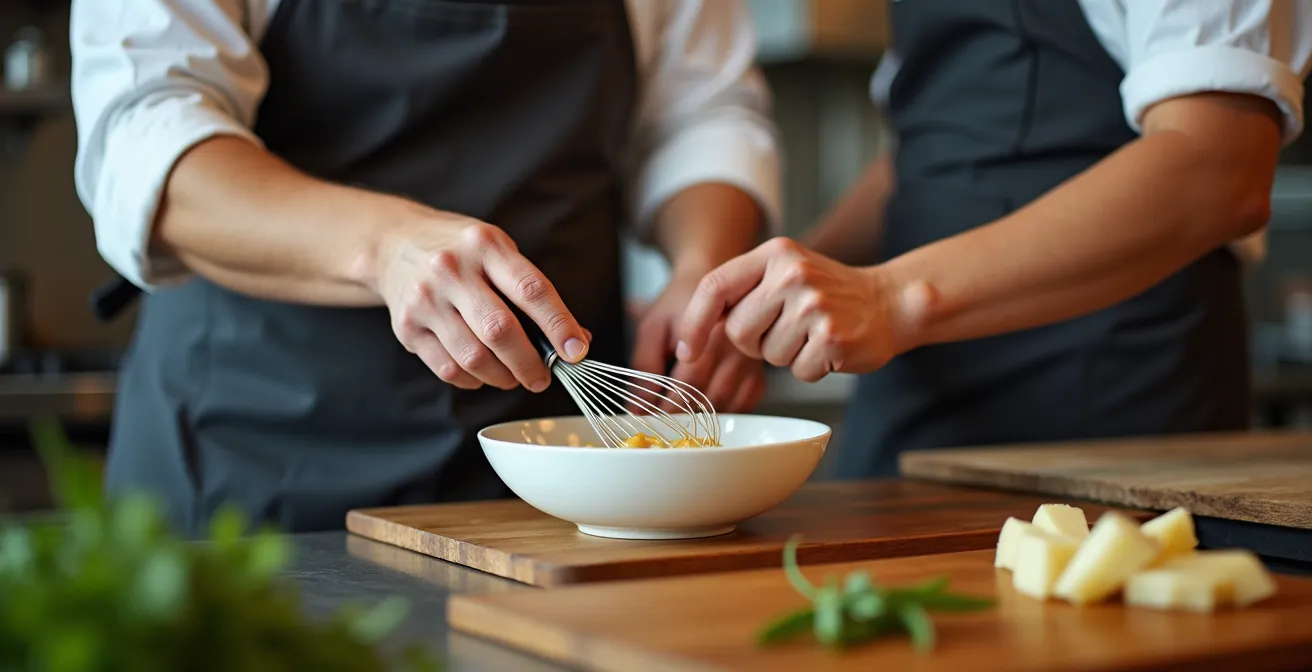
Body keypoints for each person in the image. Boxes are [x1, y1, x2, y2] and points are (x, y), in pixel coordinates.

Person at [70, 0, 779, 535]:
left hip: (554, 471)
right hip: (248, 454)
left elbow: (703, 113)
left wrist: (704, 269)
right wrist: (385, 246)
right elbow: (148, 134)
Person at [677, 1, 1312, 478]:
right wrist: (773, 292)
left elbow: (1219, 168)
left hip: (1113, 394)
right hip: (916, 400)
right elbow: (932, 157)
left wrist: (890, 298)